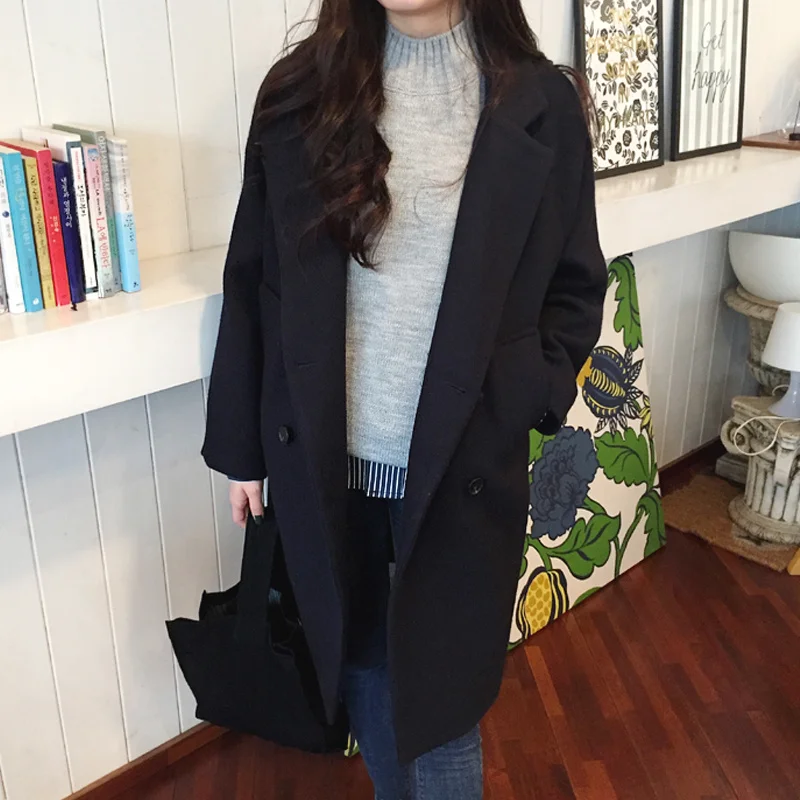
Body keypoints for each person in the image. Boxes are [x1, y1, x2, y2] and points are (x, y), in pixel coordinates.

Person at [202, 0, 606, 797]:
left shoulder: (540, 105)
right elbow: (253, 278)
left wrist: (525, 392)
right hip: (327, 462)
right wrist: (242, 450)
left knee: (443, 705)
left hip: (461, 466)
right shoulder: (298, 92)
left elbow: (575, 286)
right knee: (359, 664)